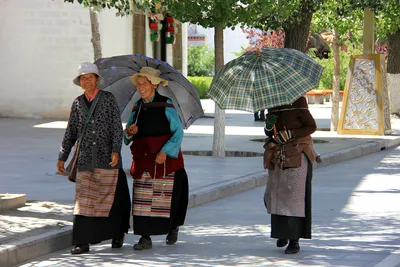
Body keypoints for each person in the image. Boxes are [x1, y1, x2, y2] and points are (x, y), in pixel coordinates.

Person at [57, 62, 131, 255]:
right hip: (85, 159)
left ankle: (117, 233)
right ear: (79, 82)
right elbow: (71, 131)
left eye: (90, 76)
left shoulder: (108, 99)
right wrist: (62, 156)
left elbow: (116, 126)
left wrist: (116, 150)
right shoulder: (77, 103)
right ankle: (82, 242)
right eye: (83, 77)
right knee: (84, 201)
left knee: (111, 199)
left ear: (97, 79)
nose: (86, 80)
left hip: (108, 157)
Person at [124, 67, 189, 250]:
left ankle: (172, 227)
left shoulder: (166, 105)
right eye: (138, 84)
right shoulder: (137, 107)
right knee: (142, 199)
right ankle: (145, 237)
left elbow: (177, 133)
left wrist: (165, 152)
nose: (140, 87)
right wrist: (129, 132)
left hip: (164, 158)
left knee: (168, 197)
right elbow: (127, 134)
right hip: (143, 159)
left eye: (144, 83)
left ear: (154, 84)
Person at [262, 96, 316, 254]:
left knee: (294, 198)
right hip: (278, 155)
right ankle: (282, 234)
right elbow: (270, 132)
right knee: (276, 196)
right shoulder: (271, 102)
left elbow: (311, 126)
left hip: (297, 154)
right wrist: (268, 125)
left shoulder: (298, 101)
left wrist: (291, 134)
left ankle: (294, 240)